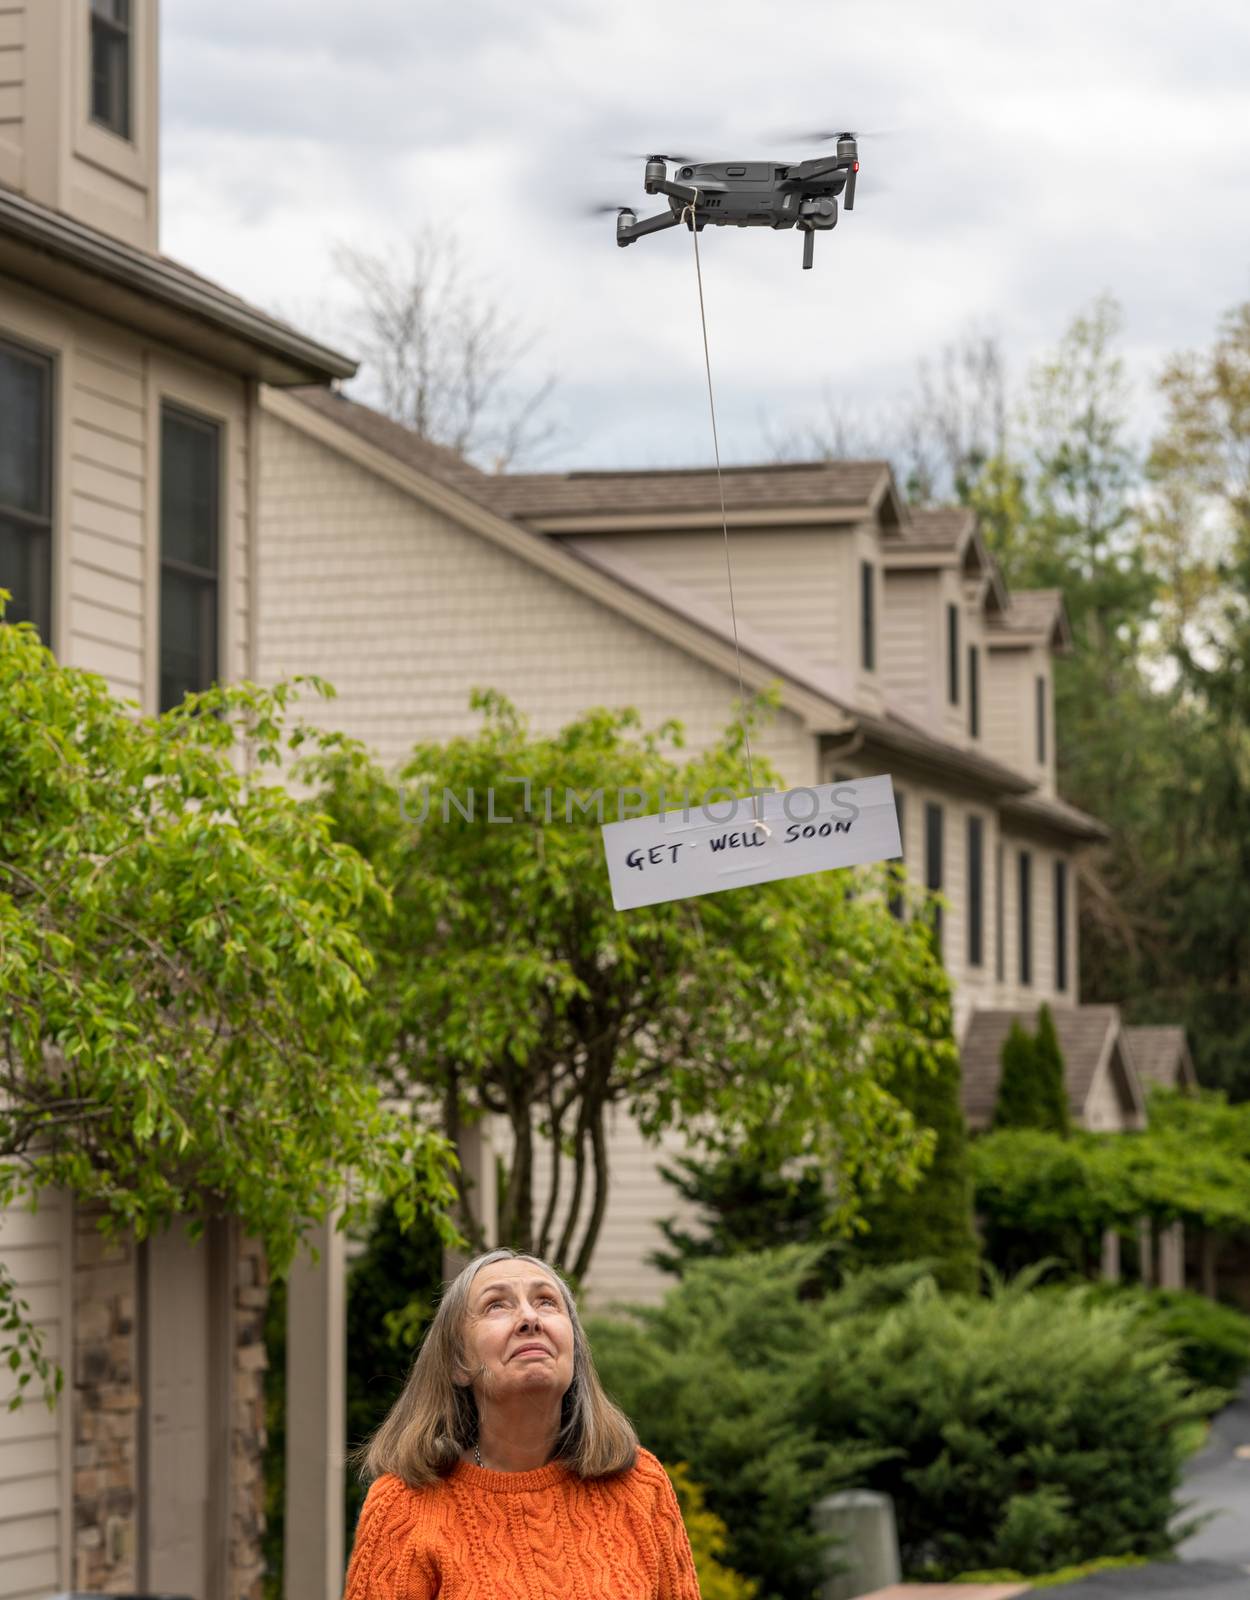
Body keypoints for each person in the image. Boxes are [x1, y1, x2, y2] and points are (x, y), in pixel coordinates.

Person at [344, 1247, 702, 1600]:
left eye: (546, 1301)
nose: (530, 1318)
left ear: (574, 1350)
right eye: (496, 1305)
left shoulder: (639, 1486)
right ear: (458, 1361)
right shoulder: (404, 1507)